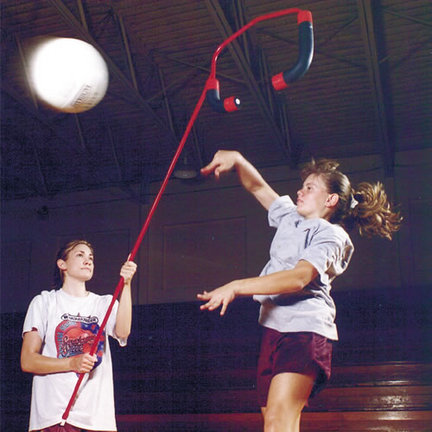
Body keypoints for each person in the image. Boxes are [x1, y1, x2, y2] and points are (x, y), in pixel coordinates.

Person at [197, 150, 401, 432]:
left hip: (305, 331)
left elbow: (298, 278)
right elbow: (258, 187)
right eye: (302, 186)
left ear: (331, 200)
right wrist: (239, 160)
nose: (300, 191)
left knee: (279, 421)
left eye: (309, 187)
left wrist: (236, 286)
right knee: (275, 424)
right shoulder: (290, 217)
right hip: (272, 329)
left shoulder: (331, 235)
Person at [21, 240, 137, 432]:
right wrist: (71, 363)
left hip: (96, 418)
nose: (88, 260)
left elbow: (123, 331)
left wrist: (126, 284)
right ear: (62, 264)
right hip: (54, 416)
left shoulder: (104, 303)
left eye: (91, 257)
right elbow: (28, 361)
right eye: (80, 255)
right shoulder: (44, 302)